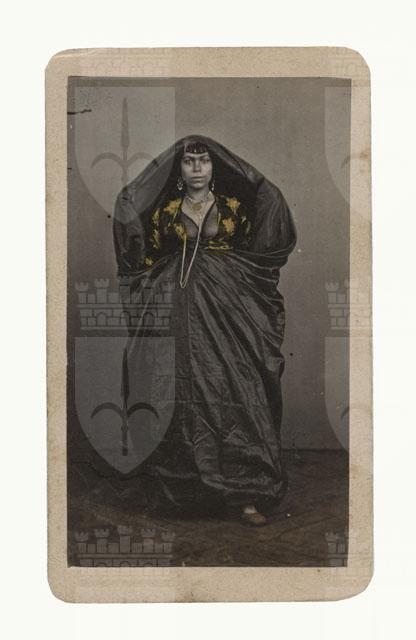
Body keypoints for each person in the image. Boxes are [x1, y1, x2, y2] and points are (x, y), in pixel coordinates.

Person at [113, 134, 297, 526]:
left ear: (215, 167)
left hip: (228, 310)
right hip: (177, 311)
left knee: (237, 390)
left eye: (204, 161)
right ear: (178, 169)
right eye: (188, 161)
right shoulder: (165, 211)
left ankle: (246, 496)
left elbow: (257, 244)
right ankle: (185, 495)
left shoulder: (233, 208)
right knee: (181, 394)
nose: (197, 168)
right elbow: (147, 256)